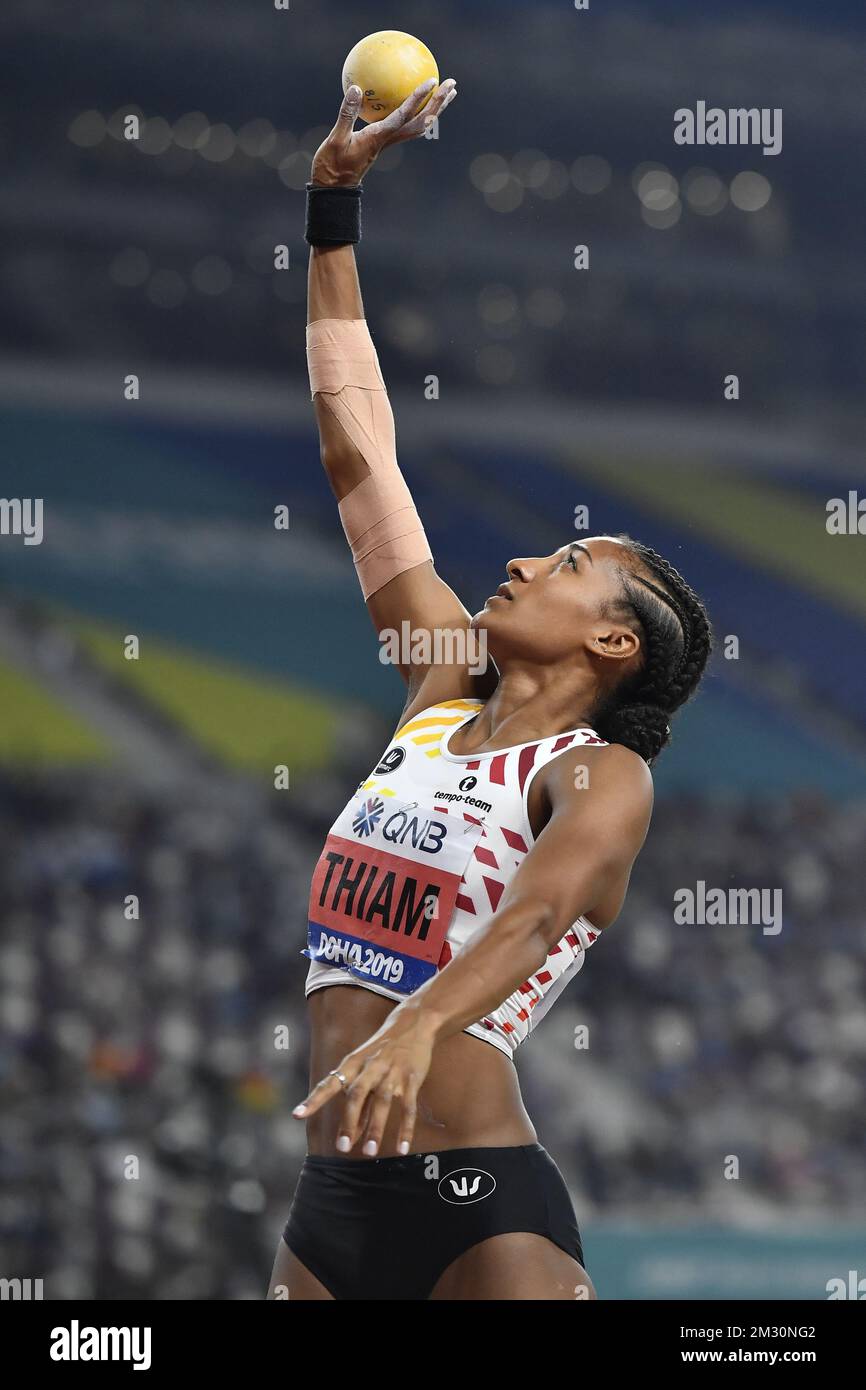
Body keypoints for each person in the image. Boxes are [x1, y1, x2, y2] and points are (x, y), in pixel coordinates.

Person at [267, 77, 712, 1301]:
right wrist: (331, 206)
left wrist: (418, 1022)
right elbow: (357, 446)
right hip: (330, 1197)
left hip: (479, 1196)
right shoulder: (436, 687)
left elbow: (526, 920)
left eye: (566, 567)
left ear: (613, 647)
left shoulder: (597, 776)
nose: (519, 562)